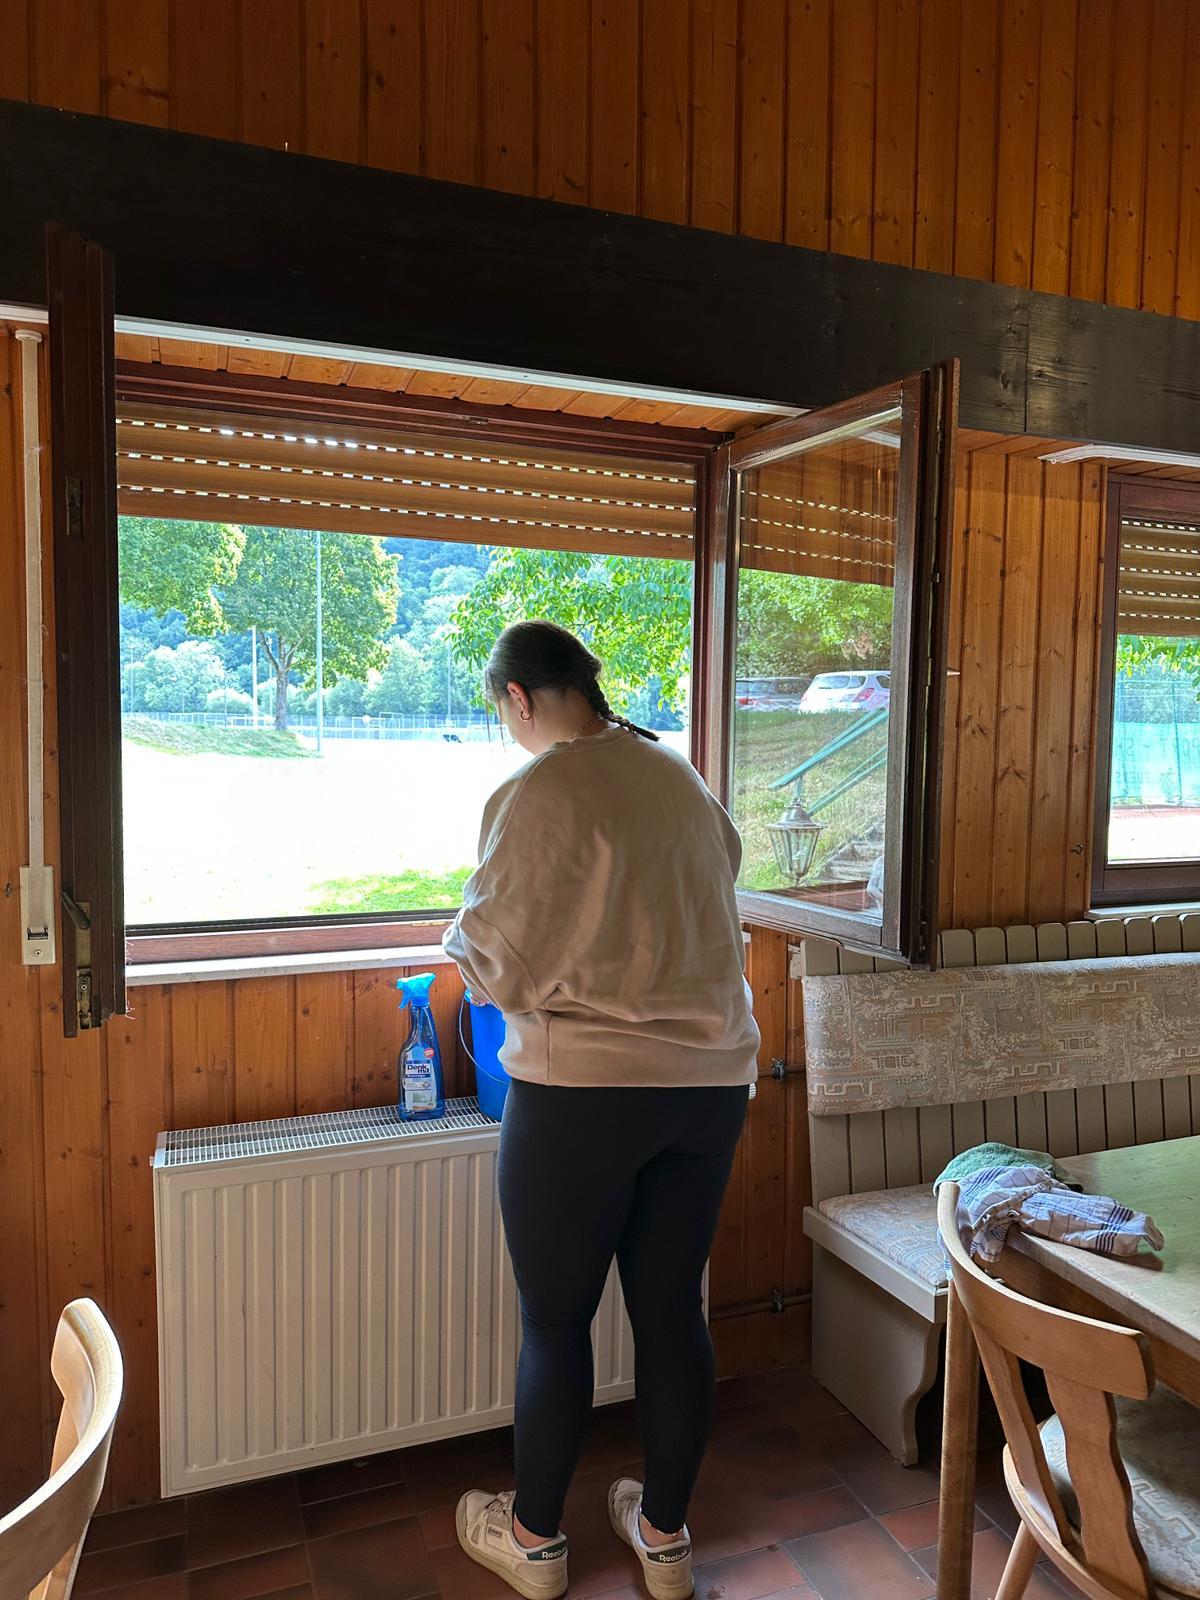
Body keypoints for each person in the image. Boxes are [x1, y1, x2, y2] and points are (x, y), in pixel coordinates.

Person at [443, 620, 760, 1600]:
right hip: (709, 1085)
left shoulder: (540, 789)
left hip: (580, 1094)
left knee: (556, 1323)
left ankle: (535, 1540)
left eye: (504, 713)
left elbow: (490, 960)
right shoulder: (680, 774)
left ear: (519, 698)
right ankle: (664, 1539)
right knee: (672, 1313)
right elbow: (721, 882)